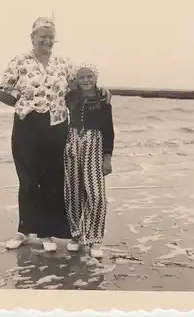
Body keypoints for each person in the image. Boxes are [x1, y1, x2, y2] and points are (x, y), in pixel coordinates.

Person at [0, 17, 111, 252]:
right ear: (33, 38)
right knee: (27, 180)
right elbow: (2, 93)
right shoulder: (19, 62)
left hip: (57, 126)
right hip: (26, 125)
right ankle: (23, 230)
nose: (47, 41)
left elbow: (81, 85)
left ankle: (46, 233)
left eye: (51, 37)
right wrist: (23, 105)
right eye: (43, 37)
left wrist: (101, 90)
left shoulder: (62, 63)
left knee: (51, 181)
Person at [64, 63, 114, 259]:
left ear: (96, 78)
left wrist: (107, 157)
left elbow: (109, 130)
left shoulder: (103, 99)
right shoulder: (70, 97)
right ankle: (76, 236)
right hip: (72, 143)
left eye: (90, 76)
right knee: (73, 192)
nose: (86, 80)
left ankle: (95, 239)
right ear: (76, 79)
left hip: (95, 145)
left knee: (96, 194)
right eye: (82, 76)